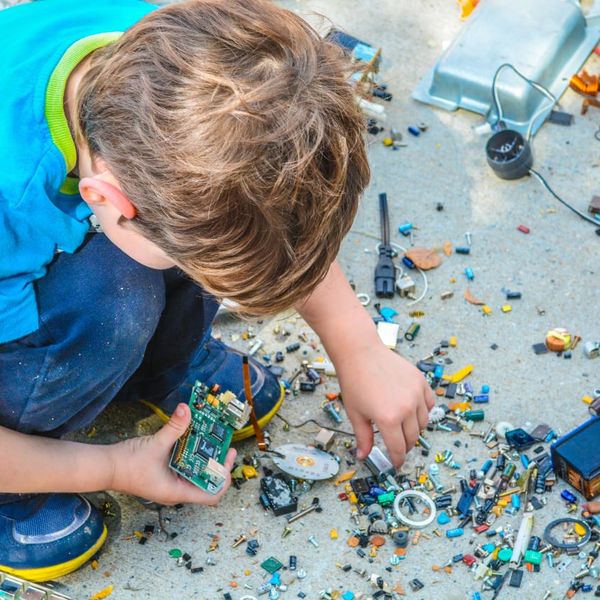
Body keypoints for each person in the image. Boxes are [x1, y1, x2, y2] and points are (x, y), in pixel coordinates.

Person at [0, 0, 434, 582]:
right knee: (116, 298)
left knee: (180, 250)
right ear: (106, 197)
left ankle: (156, 370)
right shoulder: (13, 201)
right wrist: (109, 467)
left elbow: (273, 212)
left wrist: (359, 347)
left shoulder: (193, 57)